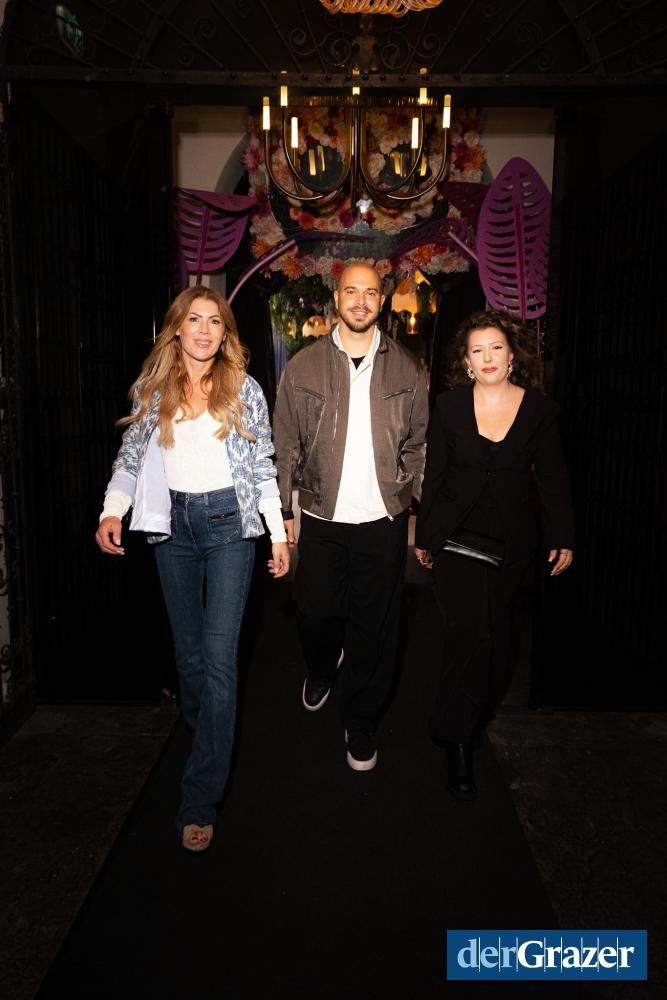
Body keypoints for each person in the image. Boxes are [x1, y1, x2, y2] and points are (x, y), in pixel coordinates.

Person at [95, 286, 289, 852]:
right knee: (190, 659)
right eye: (195, 319)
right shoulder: (152, 387)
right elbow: (131, 458)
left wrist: (278, 534)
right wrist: (112, 509)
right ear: (177, 327)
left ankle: (200, 796)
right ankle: (214, 736)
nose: (205, 330)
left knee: (220, 661)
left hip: (231, 526)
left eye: (215, 322)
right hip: (172, 528)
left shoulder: (244, 389)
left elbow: (262, 466)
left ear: (225, 334)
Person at [273, 262, 429, 771]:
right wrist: (282, 510)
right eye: (351, 291)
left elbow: (419, 444)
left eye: (370, 292)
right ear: (336, 298)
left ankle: (360, 721)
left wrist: (416, 500)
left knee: (376, 628)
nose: (361, 300)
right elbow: (284, 444)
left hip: (384, 520)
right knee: (315, 612)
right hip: (321, 513)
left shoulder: (408, 368)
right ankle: (322, 666)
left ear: (381, 300)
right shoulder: (303, 367)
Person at [414, 308, 574, 800]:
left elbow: (553, 479)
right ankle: (457, 738)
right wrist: (425, 536)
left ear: (511, 357)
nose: (487, 358)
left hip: (512, 543)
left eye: (496, 348)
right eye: (477, 350)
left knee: (500, 643)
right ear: (466, 361)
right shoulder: (448, 407)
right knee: (471, 635)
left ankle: (468, 714)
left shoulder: (540, 411)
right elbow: (435, 475)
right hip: (456, 538)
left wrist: (562, 535)